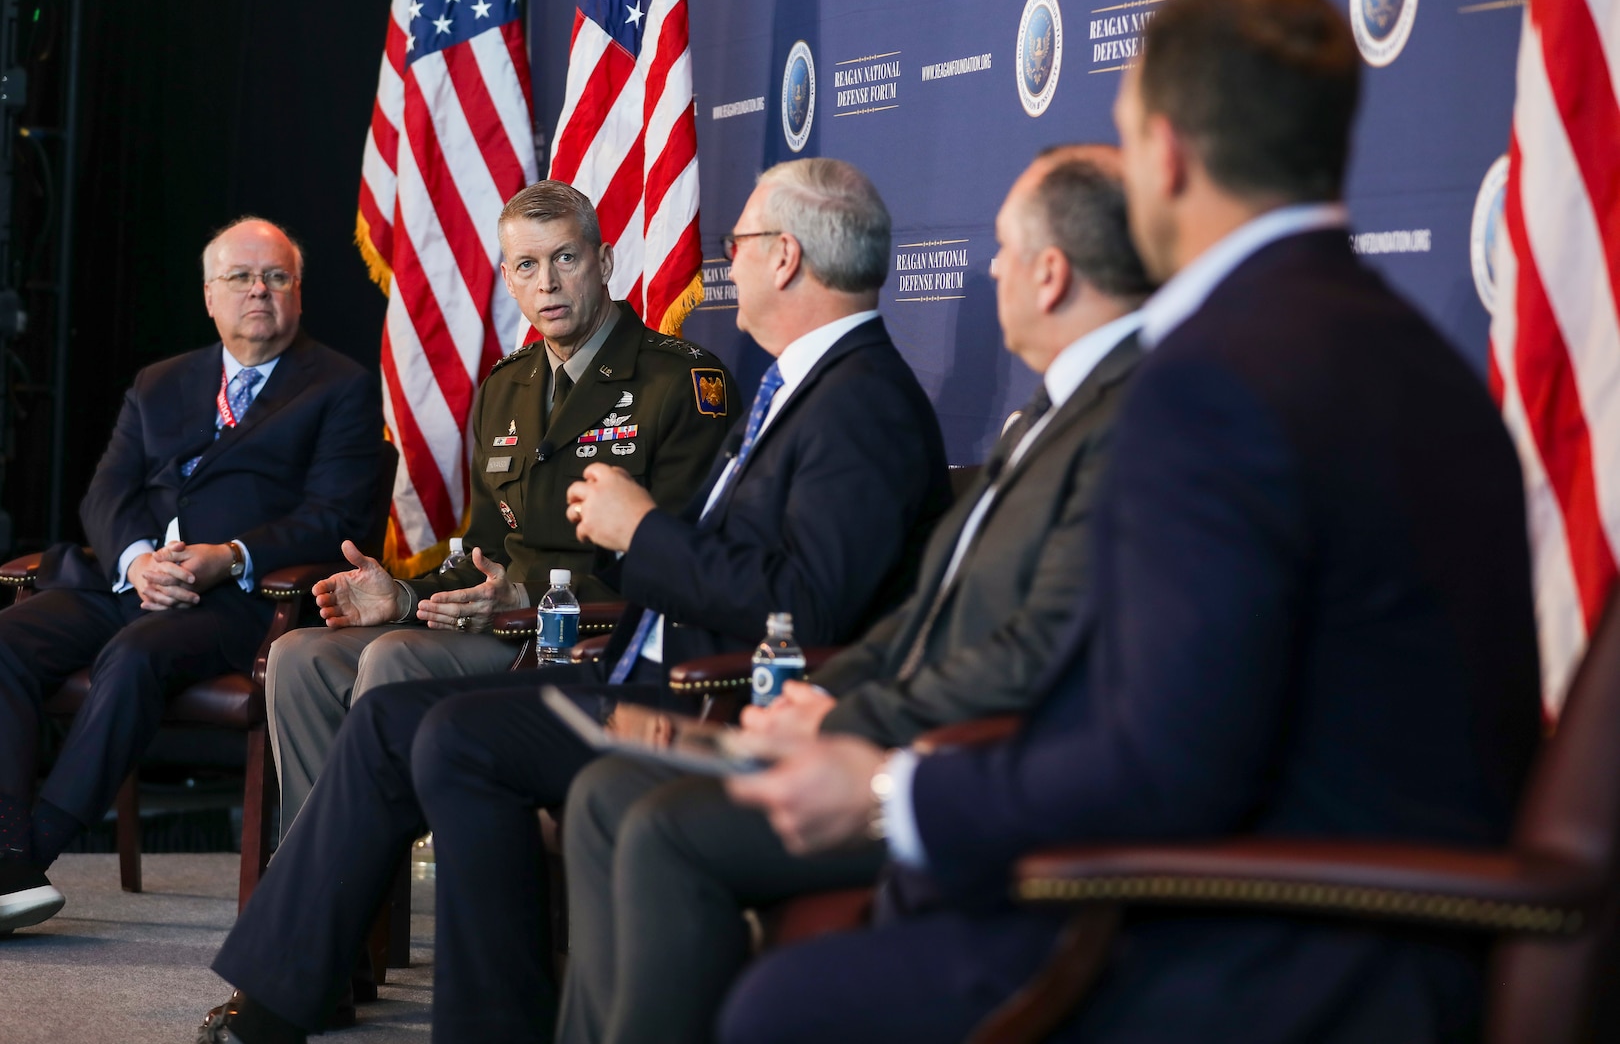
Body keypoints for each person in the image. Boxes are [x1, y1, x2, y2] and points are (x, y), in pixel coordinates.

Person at [723, 0, 1545, 1044]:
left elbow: (1160, 769)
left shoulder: (1211, 383)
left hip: (1280, 958)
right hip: (1392, 940)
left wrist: (890, 796)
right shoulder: (1419, 359)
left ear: (1162, 154)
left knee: (782, 1010)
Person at [199, 157, 952, 1044]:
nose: (727, 263)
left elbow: (802, 608)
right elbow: (499, 545)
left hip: (681, 679)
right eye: (524, 264)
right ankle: (306, 988)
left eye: (739, 245)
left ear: (784, 258)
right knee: (391, 712)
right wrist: (403, 591)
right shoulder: (792, 390)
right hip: (639, 656)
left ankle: (470, 1018)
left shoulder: (828, 399)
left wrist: (636, 535)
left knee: (429, 719)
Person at [556, 144, 1153, 1044]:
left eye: (999, 248)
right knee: (606, 793)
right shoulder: (1043, 415)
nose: (986, 269)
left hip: (957, 770)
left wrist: (848, 724)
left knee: (656, 826)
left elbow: (1034, 652)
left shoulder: (1124, 422)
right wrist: (819, 700)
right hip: (862, 717)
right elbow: (927, 614)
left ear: (1052, 272)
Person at [265, 181, 733, 829]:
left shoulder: (679, 382)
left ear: (603, 263)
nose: (548, 283)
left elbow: (683, 568)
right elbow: (482, 553)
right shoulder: (505, 388)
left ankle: (354, 866)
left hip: (590, 636)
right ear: (509, 282)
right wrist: (401, 596)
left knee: (394, 656)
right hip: (500, 624)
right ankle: (316, 878)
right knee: (300, 657)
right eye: (526, 266)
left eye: (565, 259)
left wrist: (526, 601)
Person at [0, 218, 381, 933]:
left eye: (276, 277)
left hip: (236, 604)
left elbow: (337, 515)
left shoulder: (339, 387)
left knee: (135, 656)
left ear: (298, 294)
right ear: (210, 294)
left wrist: (229, 555)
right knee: (5, 641)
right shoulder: (160, 382)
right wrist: (137, 560)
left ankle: (30, 859)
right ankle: (3, 848)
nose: (258, 291)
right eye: (241, 277)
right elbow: (104, 494)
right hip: (127, 584)